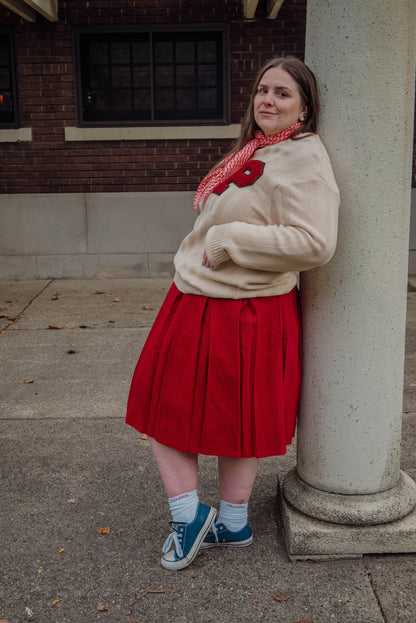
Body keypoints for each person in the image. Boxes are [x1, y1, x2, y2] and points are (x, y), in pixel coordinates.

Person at [126, 56, 339, 571]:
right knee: (231, 419)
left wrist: (227, 239)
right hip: (203, 297)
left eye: (283, 93)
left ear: (305, 107)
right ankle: (234, 523)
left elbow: (315, 243)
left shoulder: (304, 159)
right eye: (263, 90)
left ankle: (188, 515)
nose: (268, 100)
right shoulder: (261, 148)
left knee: (165, 412)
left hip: (241, 309)